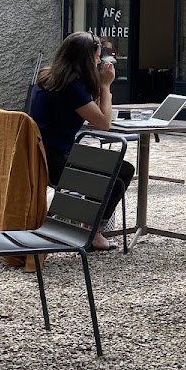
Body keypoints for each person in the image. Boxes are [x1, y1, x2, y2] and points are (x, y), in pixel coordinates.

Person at [27, 32, 134, 251]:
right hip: (56, 163)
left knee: (100, 165)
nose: (98, 61)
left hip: (36, 156)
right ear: (85, 59)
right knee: (122, 170)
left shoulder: (48, 78)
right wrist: (105, 86)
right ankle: (92, 231)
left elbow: (89, 110)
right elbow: (103, 123)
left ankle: (83, 222)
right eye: (96, 57)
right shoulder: (71, 87)